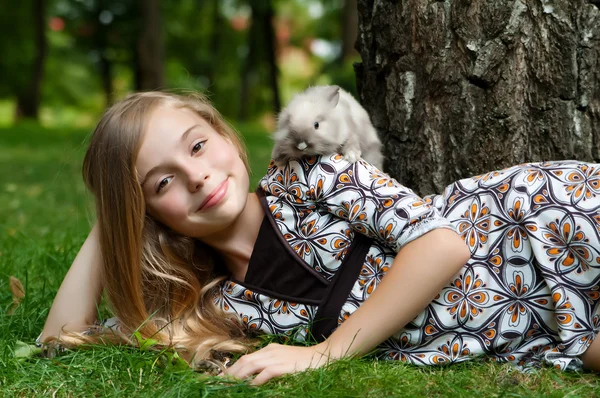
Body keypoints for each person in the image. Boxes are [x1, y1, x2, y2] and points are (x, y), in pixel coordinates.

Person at [39, 91, 600, 385]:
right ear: (148, 214)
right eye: (162, 182)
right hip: (530, 326)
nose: (197, 176)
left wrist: (324, 353)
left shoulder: (313, 175)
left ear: (229, 141)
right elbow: (62, 336)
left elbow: (442, 245)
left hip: (529, 226)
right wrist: (115, 217)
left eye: (197, 146)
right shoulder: (217, 305)